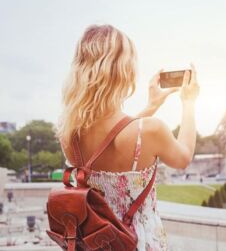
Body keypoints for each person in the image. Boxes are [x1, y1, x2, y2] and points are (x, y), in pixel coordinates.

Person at [56, 24, 199, 250]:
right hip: (136, 242)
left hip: (92, 242)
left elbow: (111, 139)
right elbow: (183, 158)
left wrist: (151, 106)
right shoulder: (151, 130)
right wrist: (188, 102)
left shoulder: (68, 132)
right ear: (125, 71)